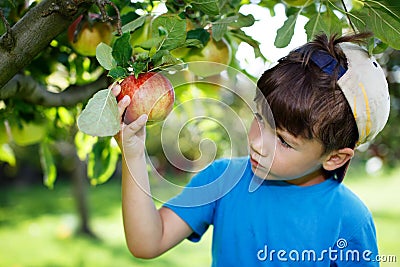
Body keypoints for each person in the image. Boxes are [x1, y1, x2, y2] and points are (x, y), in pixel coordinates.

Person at [111, 32, 390, 266]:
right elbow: (147, 242)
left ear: (335, 158)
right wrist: (133, 152)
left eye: (283, 141)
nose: (257, 143)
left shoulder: (349, 219)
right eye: (259, 118)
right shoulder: (223, 180)